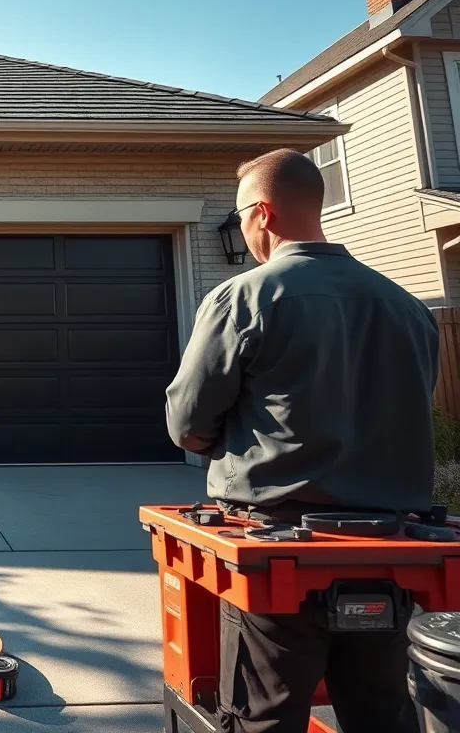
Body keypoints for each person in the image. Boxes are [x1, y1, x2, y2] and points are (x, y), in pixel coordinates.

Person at [165, 148, 439, 733]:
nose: (241, 227)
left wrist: (221, 441)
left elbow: (187, 420)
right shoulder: (408, 306)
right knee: (384, 711)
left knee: (266, 715)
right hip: (394, 547)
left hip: (277, 548)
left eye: (240, 215)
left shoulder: (243, 299)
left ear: (262, 212)